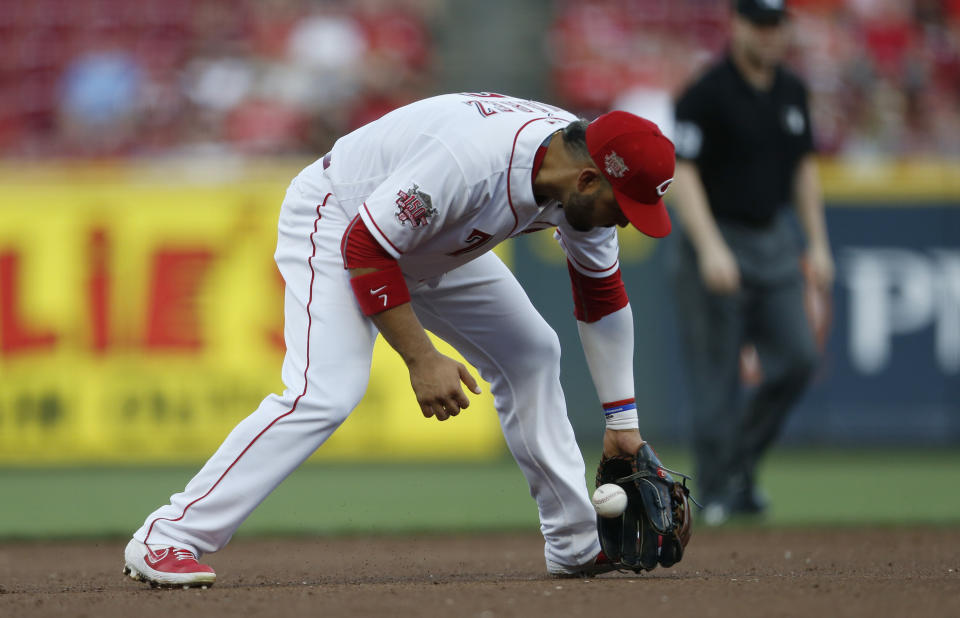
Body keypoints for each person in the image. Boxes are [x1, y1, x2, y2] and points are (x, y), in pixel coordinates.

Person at [122, 92, 678, 587]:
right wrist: (420, 357)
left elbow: (601, 299)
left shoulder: (581, 179)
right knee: (327, 391)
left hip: (433, 240)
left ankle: (575, 543)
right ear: (587, 179)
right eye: (623, 206)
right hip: (339, 219)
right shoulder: (472, 160)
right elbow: (367, 248)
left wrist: (621, 425)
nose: (624, 222)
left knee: (531, 353)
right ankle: (169, 534)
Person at [669, 0, 835, 525]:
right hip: (716, 238)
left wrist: (818, 243)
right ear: (737, 25)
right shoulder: (706, 92)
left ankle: (737, 470)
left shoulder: (791, 91)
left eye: (775, 24)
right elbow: (683, 172)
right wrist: (711, 246)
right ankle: (716, 491)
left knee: (798, 358)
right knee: (715, 377)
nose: (768, 35)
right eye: (758, 24)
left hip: (773, 239)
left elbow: (804, 169)